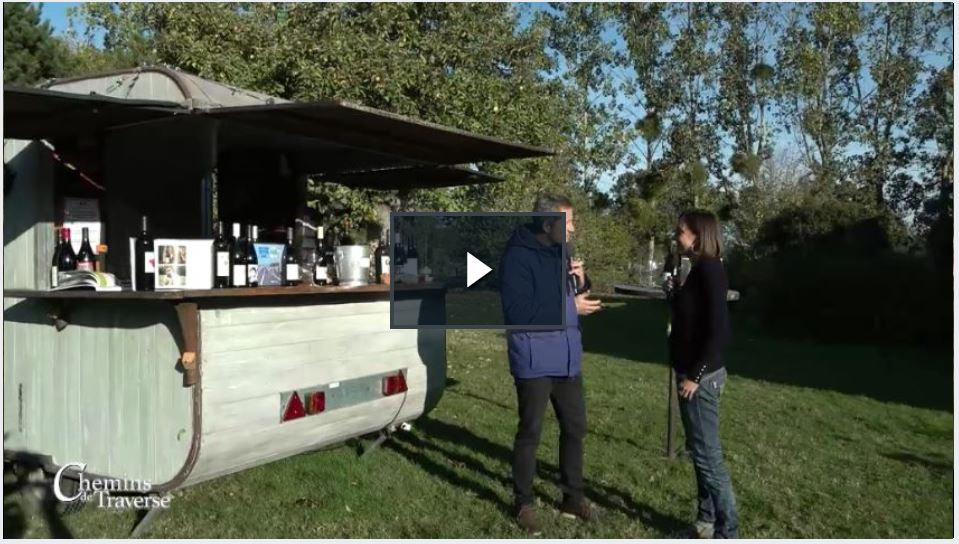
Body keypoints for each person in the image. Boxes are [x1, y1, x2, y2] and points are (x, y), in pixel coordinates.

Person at [499, 193, 603, 534]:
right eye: (568, 222)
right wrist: (572, 308)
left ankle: (573, 497)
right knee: (530, 432)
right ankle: (523, 501)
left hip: (567, 357)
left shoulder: (564, 252)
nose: (573, 228)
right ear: (548, 224)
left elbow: (572, 293)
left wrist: (582, 279)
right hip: (533, 357)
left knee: (575, 428)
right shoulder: (516, 258)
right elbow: (520, 313)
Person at [666, 210, 739, 539]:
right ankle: (706, 521)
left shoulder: (710, 269)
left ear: (698, 235)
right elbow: (693, 316)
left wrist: (695, 375)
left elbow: (719, 331)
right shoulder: (698, 270)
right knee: (700, 452)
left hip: (701, 380)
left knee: (709, 458)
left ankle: (728, 532)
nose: (676, 235)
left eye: (681, 231)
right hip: (694, 373)